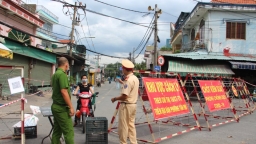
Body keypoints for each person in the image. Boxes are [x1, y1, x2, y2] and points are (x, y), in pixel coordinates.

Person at [111, 59, 139, 144]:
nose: (122, 70)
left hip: (126, 106)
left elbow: (124, 96)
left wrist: (115, 98)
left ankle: (123, 142)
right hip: (133, 105)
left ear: (125, 69)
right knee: (131, 126)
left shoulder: (128, 80)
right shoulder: (135, 78)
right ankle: (134, 142)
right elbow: (130, 88)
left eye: (122, 68)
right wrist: (122, 82)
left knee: (123, 126)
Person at [51, 57, 74, 144]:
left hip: (55, 106)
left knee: (57, 131)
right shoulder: (62, 75)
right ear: (66, 65)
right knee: (69, 132)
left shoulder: (55, 74)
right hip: (61, 108)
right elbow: (64, 92)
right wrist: (71, 107)